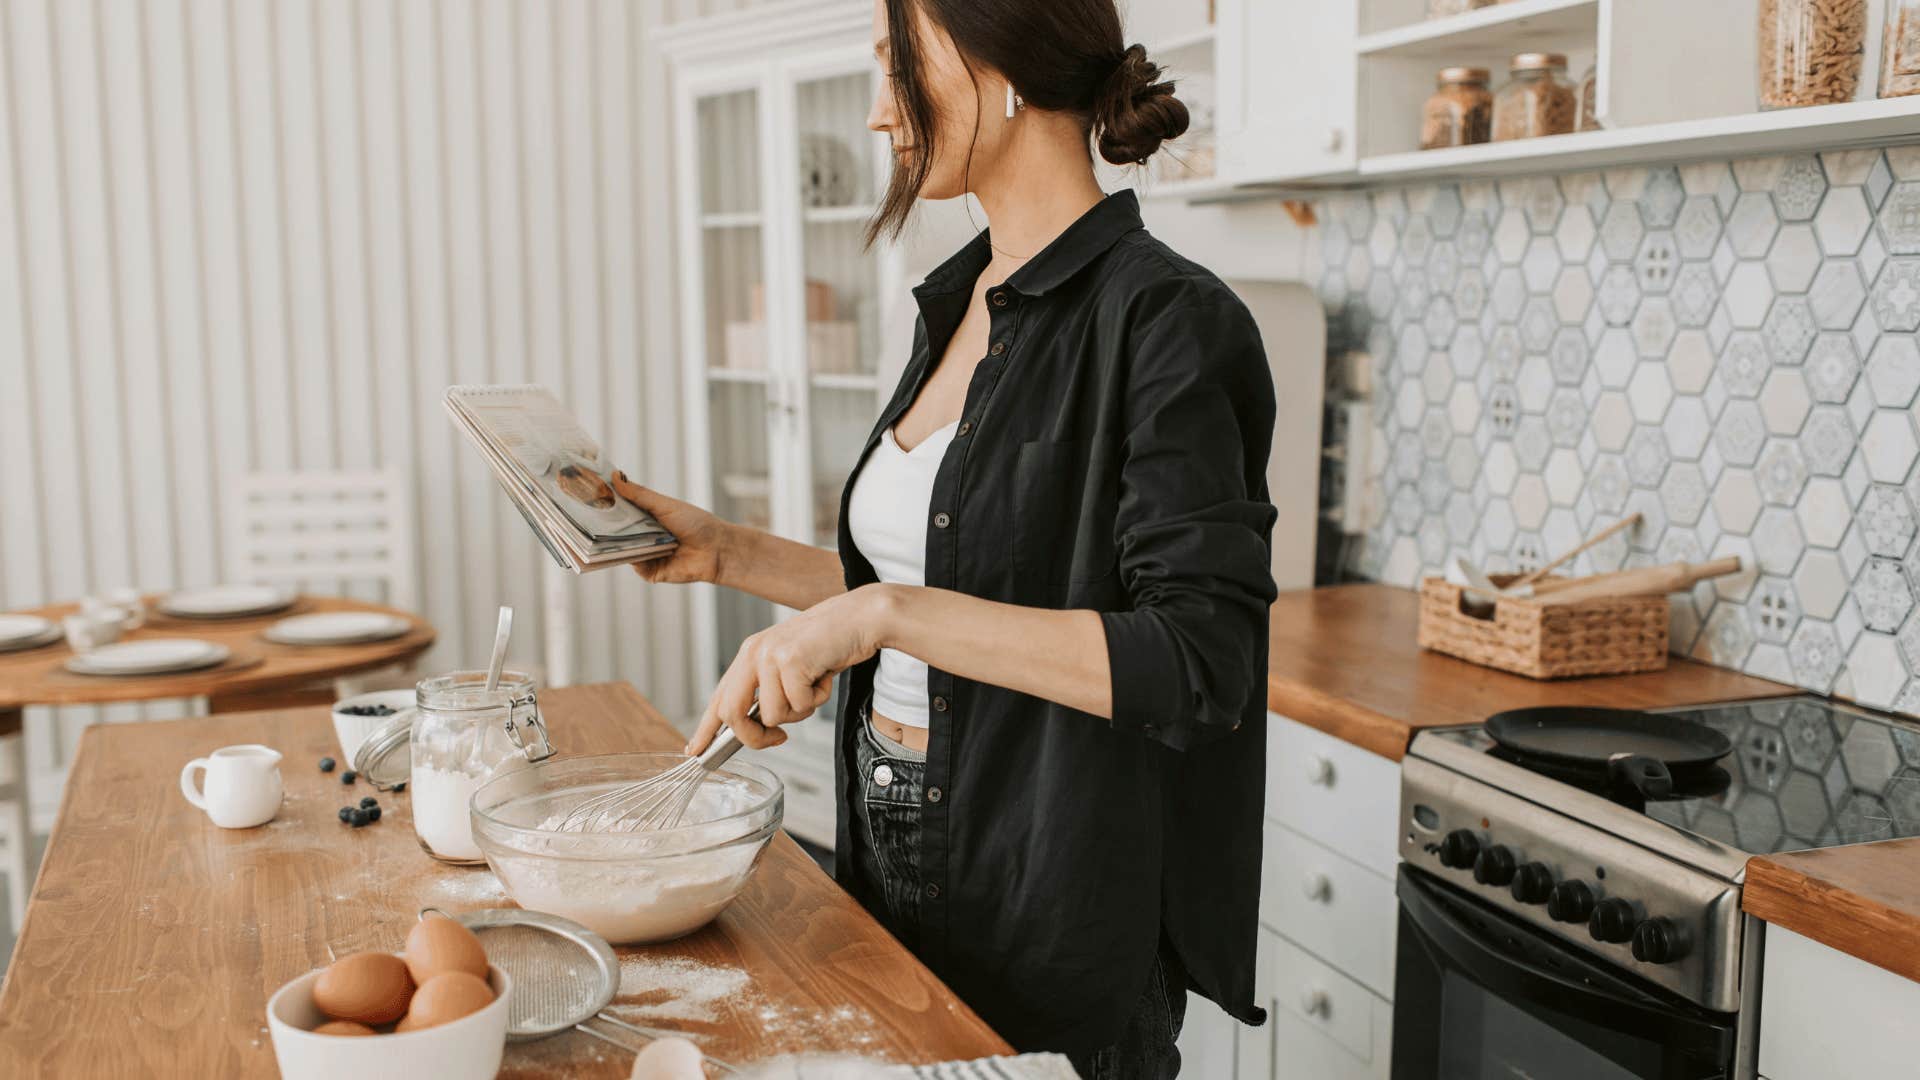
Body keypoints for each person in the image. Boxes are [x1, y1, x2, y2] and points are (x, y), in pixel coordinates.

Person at [610, 1, 1278, 1074]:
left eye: (896, 66)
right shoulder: (961, 300)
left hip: (1050, 869)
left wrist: (880, 616)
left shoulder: (1169, 323)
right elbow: (963, 576)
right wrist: (726, 552)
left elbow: (1198, 664)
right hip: (891, 826)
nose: (879, 115)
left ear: (997, 62)